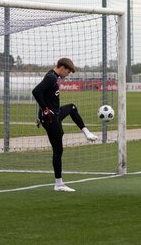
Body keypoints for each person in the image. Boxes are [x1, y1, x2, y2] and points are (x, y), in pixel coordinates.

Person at [32, 57, 98, 192]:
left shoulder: (53, 76)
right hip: (50, 118)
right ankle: (59, 184)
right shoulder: (51, 77)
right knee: (58, 151)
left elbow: (43, 94)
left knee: (72, 108)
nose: (68, 75)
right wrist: (44, 110)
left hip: (55, 113)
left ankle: (86, 132)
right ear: (62, 68)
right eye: (68, 72)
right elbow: (36, 91)